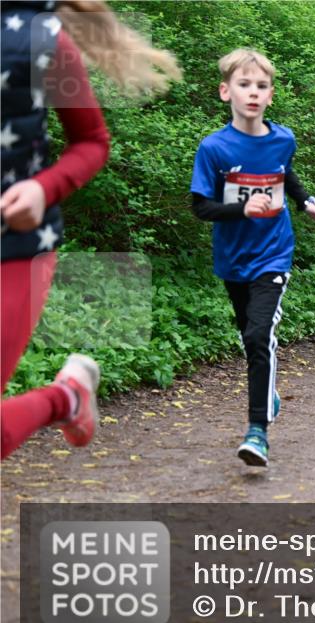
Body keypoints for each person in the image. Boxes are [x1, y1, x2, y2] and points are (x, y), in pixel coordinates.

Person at [1, 0, 180, 460]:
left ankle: (65, 399)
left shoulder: (41, 40)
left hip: (16, 250)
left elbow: (91, 142)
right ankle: (68, 398)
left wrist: (43, 189)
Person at [191, 48, 315, 467]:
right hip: (233, 259)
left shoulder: (282, 139)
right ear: (225, 92)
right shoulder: (214, 149)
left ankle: (257, 432)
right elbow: (200, 208)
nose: (252, 93)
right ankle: (266, 390)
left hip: (273, 255)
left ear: (270, 95)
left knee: (258, 336)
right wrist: (242, 208)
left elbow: (285, 174)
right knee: (248, 336)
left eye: (261, 86)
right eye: (243, 84)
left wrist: (310, 204)